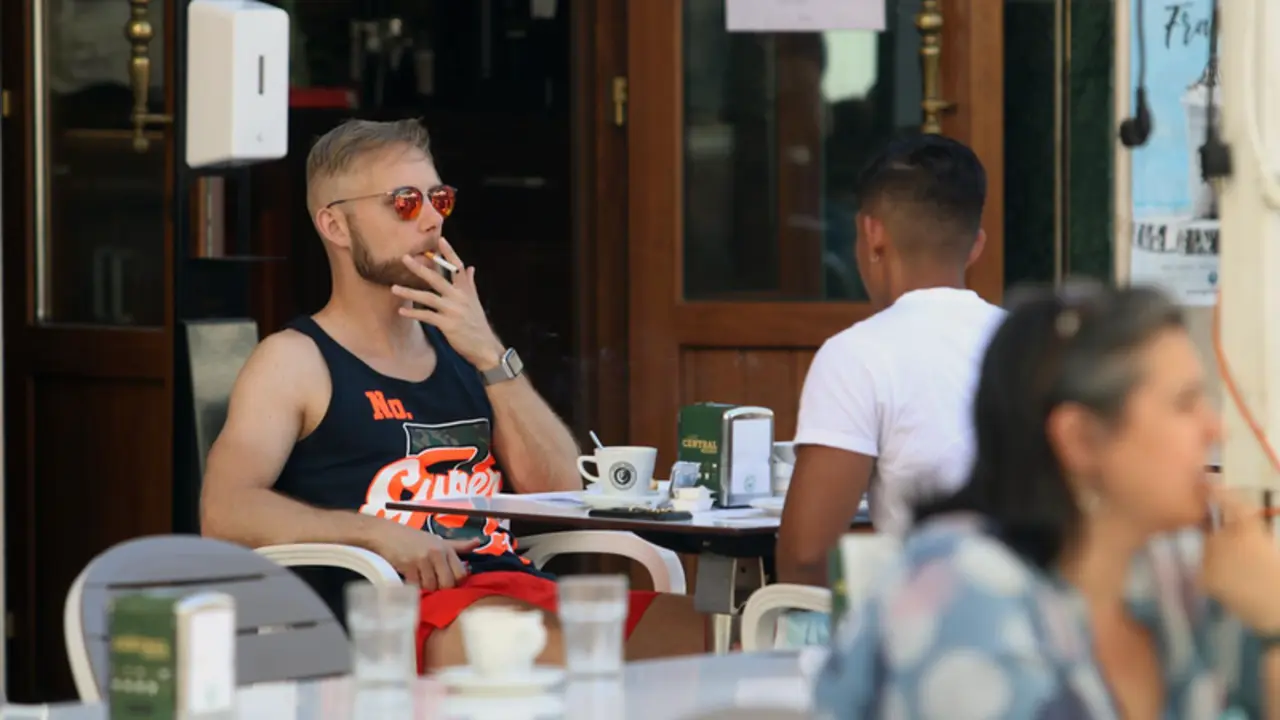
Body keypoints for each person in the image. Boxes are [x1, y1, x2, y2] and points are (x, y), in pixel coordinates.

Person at [200, 118, 704, 670]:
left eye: (438, 198)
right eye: (405, 202)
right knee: (577, 658)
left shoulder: (468, 350)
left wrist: (491, 355)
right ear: (336, 226)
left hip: (510, 591)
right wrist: (375, 534)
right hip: (399, 612)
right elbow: (225, 509)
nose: (433, 218)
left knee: (715, 636)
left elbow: (559, 493)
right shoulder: (296, 360)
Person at [815, 284, 1280, 718]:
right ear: (1080, 440)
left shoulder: (1170, 571)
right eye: (1184, 404)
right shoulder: (962, 592)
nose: (1215, 429)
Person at [777, 134, 1006, 589]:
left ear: (872, 234)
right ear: (976, 245)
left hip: (922, 636)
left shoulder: (858, 355)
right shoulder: (1025, 342)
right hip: (1037, 630)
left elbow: (805, 558)